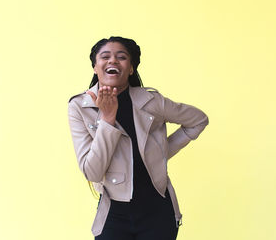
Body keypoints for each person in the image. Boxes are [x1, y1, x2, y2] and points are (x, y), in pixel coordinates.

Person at [68, 36, 209, 240]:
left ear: (131, 68)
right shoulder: (80, 107)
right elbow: (92, 172)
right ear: (95, 67)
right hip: (113, 214)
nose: (113, 61)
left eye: (122, 57)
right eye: (105, 57)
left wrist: (161, 153)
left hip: (158, 211)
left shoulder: (152, 101)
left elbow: (198, 120)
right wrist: (107, 119)